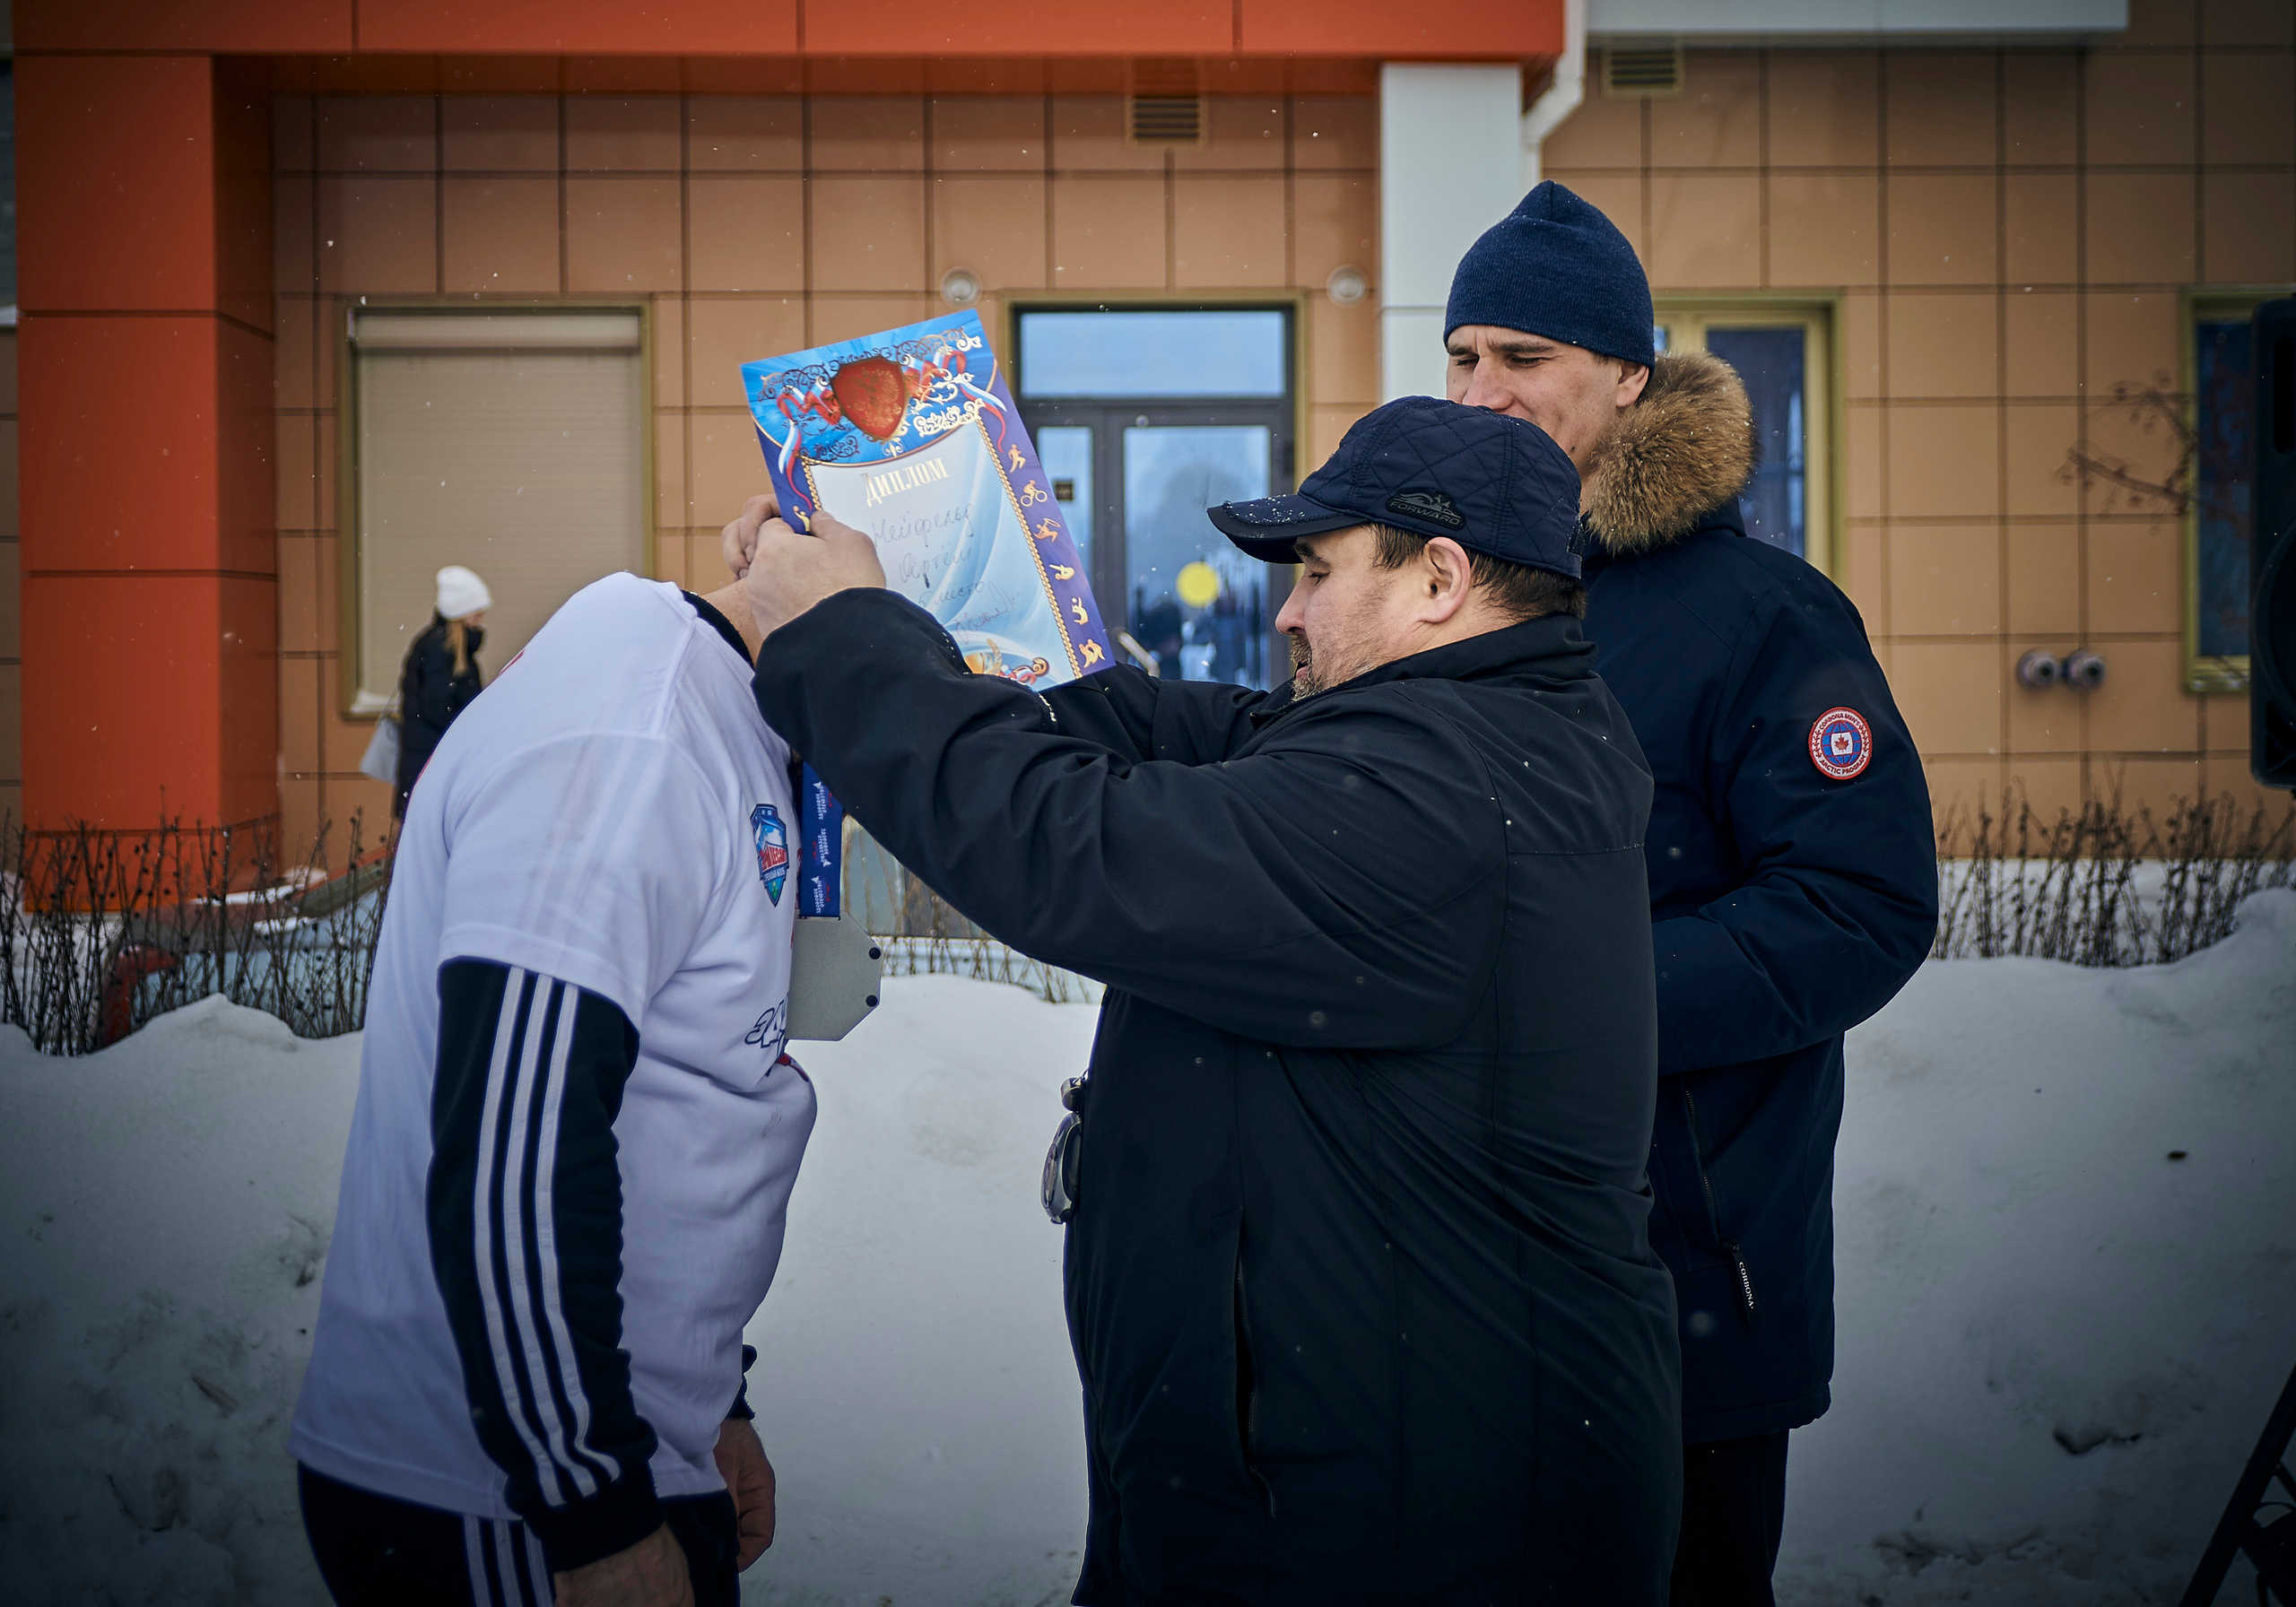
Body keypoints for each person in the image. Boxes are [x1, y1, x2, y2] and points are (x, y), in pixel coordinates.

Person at [726, 397, 1683, 1603]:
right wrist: (939, 606)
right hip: (1306, 1484)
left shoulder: (1443, 794)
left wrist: (840, 638)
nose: (1284, 609)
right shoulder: (1450, 735)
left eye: (1318, 572)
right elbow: (1148, 732)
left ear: (1439, 578)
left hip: (1413, 1529)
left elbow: (1071, 844)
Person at [1442, 182, 1939, 1605]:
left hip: (1683, 1283)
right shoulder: (1446, 597)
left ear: (1629, 377)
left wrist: (1575, 1003)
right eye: (1464, 356)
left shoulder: (1767, 619)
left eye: (1524, 358)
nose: (1484, 392)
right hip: (1454, 1270)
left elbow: (1859, 909)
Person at [291, 571, 813, 1607]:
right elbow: (511, 1151)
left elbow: (678, 1084)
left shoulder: (711, 712)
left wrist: (713, 1398)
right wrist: (595, 1515)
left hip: (613, 1453)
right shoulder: (633, 738)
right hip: (508, 1504)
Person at [393, 564, 493, 820]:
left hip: (431, 760)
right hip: (434, 761)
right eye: (476, 610)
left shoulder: (446, 648)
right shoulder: (442, 649)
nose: (481, 617)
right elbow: (439, 707)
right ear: (461, 612)